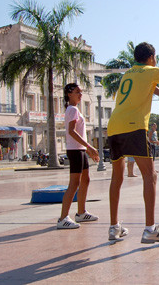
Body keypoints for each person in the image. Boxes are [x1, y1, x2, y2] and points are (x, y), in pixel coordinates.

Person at [107, 42, 159, 243]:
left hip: (114, 127)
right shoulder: (154, 71)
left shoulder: (128, 74)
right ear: (152, 57)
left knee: (116, 179)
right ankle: (150, 229)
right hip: (134, 126)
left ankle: (113, 228)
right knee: (150, 176)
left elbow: (154, 91)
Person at [57, 83, 100, 229]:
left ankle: (81, 213)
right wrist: (89, 147)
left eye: (81, 92)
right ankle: (63, 218)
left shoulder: (74, 109)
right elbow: (71, 131)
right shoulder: (72, 109)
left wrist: (87, 149)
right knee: (74, 183)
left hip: (80, 149)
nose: (80, 95)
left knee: (85, 180)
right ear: (69, 94)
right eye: (77, 92)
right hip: (75, 150)